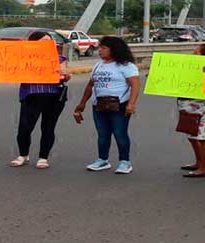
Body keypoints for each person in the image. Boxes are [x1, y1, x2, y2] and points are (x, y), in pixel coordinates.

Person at [73, 36, 140, 175]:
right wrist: (82, 103)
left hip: (119, 105)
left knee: (120, 133)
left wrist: (131, 104)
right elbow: (90, 85)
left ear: (114, 49)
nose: (100, 51)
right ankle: (102, 160)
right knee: (103, 134)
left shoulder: (126, 66)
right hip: (99, 105)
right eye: (100, 48)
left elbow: (135, 85)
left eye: (104, 48)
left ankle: (125, 162)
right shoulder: (98, 65)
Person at [11, 31, 71, 169]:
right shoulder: (23, 58)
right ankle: (23, 155)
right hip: (31, 95)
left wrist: (65, 75)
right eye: (43, 41)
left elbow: (64, 75)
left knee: (48, 128)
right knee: (24, 128)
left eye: (49, 41)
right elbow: (9, 68)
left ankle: (43, 157)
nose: (47, 44)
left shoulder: (59, 59)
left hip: (54, 97)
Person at [175, 43, 205, 178]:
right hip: (188, 108)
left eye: (196, 53)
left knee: (204, 138)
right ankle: (199, 162)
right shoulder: (189, 69)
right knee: (192, 137)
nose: (193, 55)